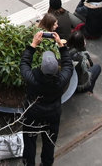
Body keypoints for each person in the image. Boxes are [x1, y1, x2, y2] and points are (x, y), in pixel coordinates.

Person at [19, 30, 73, 166]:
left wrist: (33, 45)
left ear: (41, 67)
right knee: (49, 143)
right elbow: (68, 65)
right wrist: (61, 45)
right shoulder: (61, 80)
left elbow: (24, 64)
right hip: (52, 117)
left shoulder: (32, 79)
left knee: (29, 143)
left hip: (32, 116)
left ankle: (28, 163)